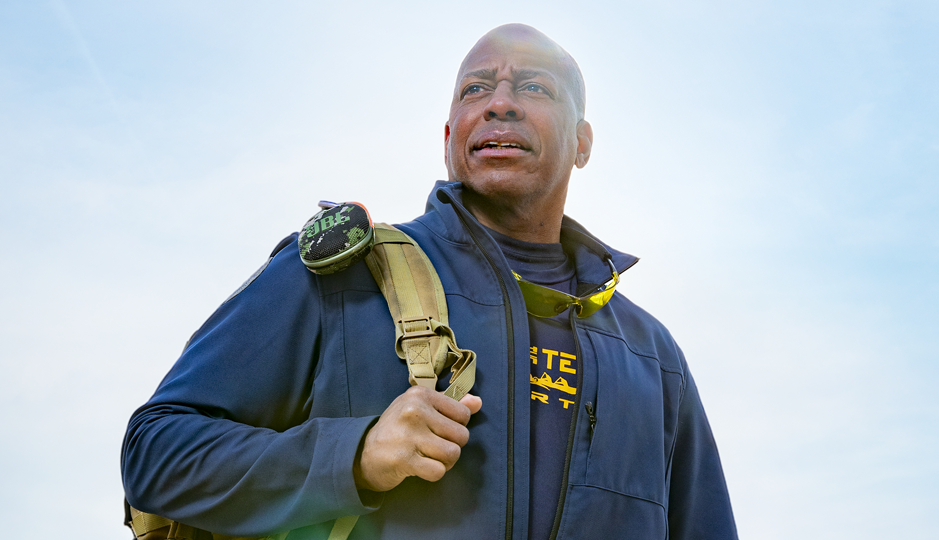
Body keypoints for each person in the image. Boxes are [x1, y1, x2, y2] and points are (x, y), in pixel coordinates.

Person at [122, 23, 738, 540]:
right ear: (450, 139)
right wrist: (353, 455)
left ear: (581, 143)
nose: (501, 101)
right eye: (477, 89)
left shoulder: (654, 359)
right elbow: (155, 452)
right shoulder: (341, 276)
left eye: (534, 86)